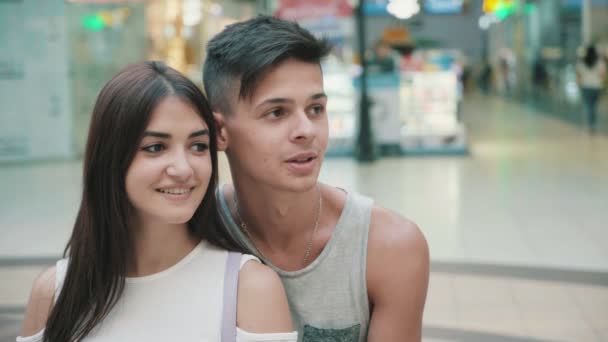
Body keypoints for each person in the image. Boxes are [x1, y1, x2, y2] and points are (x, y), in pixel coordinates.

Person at [18, 61, 296, 342]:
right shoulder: (54, 294)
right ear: (111, 159)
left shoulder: (249, 290)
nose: (183, 169)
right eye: (155, 148)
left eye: (198, 146)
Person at [203, 16, 429, 341]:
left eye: (315, 109)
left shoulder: (389, 247)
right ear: (220, 131)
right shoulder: (195, 231)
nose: (306, 131)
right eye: (277, 113)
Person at [576, 44, 606, 131]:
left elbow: (578, 76)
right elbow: (603, 75)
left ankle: (590, 124)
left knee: (588, 106)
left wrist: (579, 86)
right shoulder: (600, 62)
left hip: (586, 86)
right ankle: (593, 124)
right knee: (594, 106)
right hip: (596, 86)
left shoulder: (581, 62)